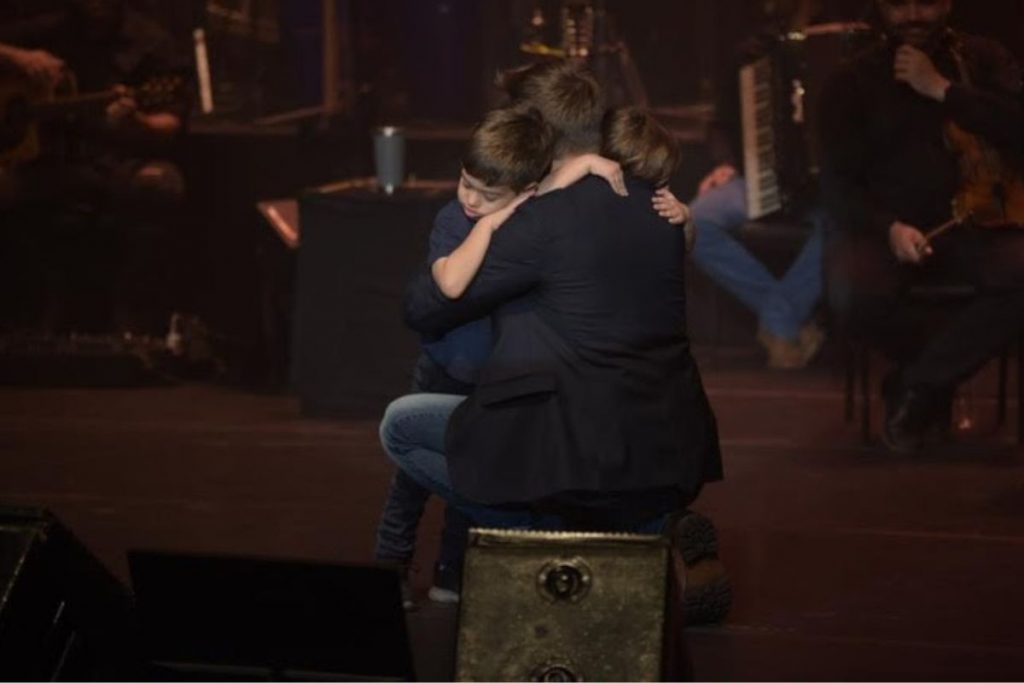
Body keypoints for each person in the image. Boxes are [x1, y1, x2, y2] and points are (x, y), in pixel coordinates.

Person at [380, 61, 728, 623]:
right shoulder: (657, 206)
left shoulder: (540, 220)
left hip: (575, 441)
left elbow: (426, 305)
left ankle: (571, 543)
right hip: (668, 438)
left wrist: (495, 221)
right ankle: (652, 529)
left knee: (402, 425)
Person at [819, 0, 1024, 452]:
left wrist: (943, 90)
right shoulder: (851, 80)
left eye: (926, 3)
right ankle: (940, 373)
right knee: (850, 291)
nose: (913, 15)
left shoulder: (984, 59)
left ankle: (917, 386)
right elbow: (836, 184)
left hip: (977, 224)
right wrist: (887, 226)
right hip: (886, 231)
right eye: (898, 4)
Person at [0, 0, 190, 334]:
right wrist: (17, 56)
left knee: (160, 185)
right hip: (43, 164)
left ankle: (134, 324)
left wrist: (138, 120)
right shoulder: (48, 30)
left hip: (115, 161)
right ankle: (20, 322)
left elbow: (170, 122)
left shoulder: (149, 41)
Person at [689, 0, 839, 369]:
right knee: (692, 222)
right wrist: (725, 162)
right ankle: (787, 323)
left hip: (830, 190)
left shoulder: (844, 40)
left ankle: (778, 321)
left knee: (846, 223)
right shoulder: (753, 49)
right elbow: (720, 121)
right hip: (760, 176)